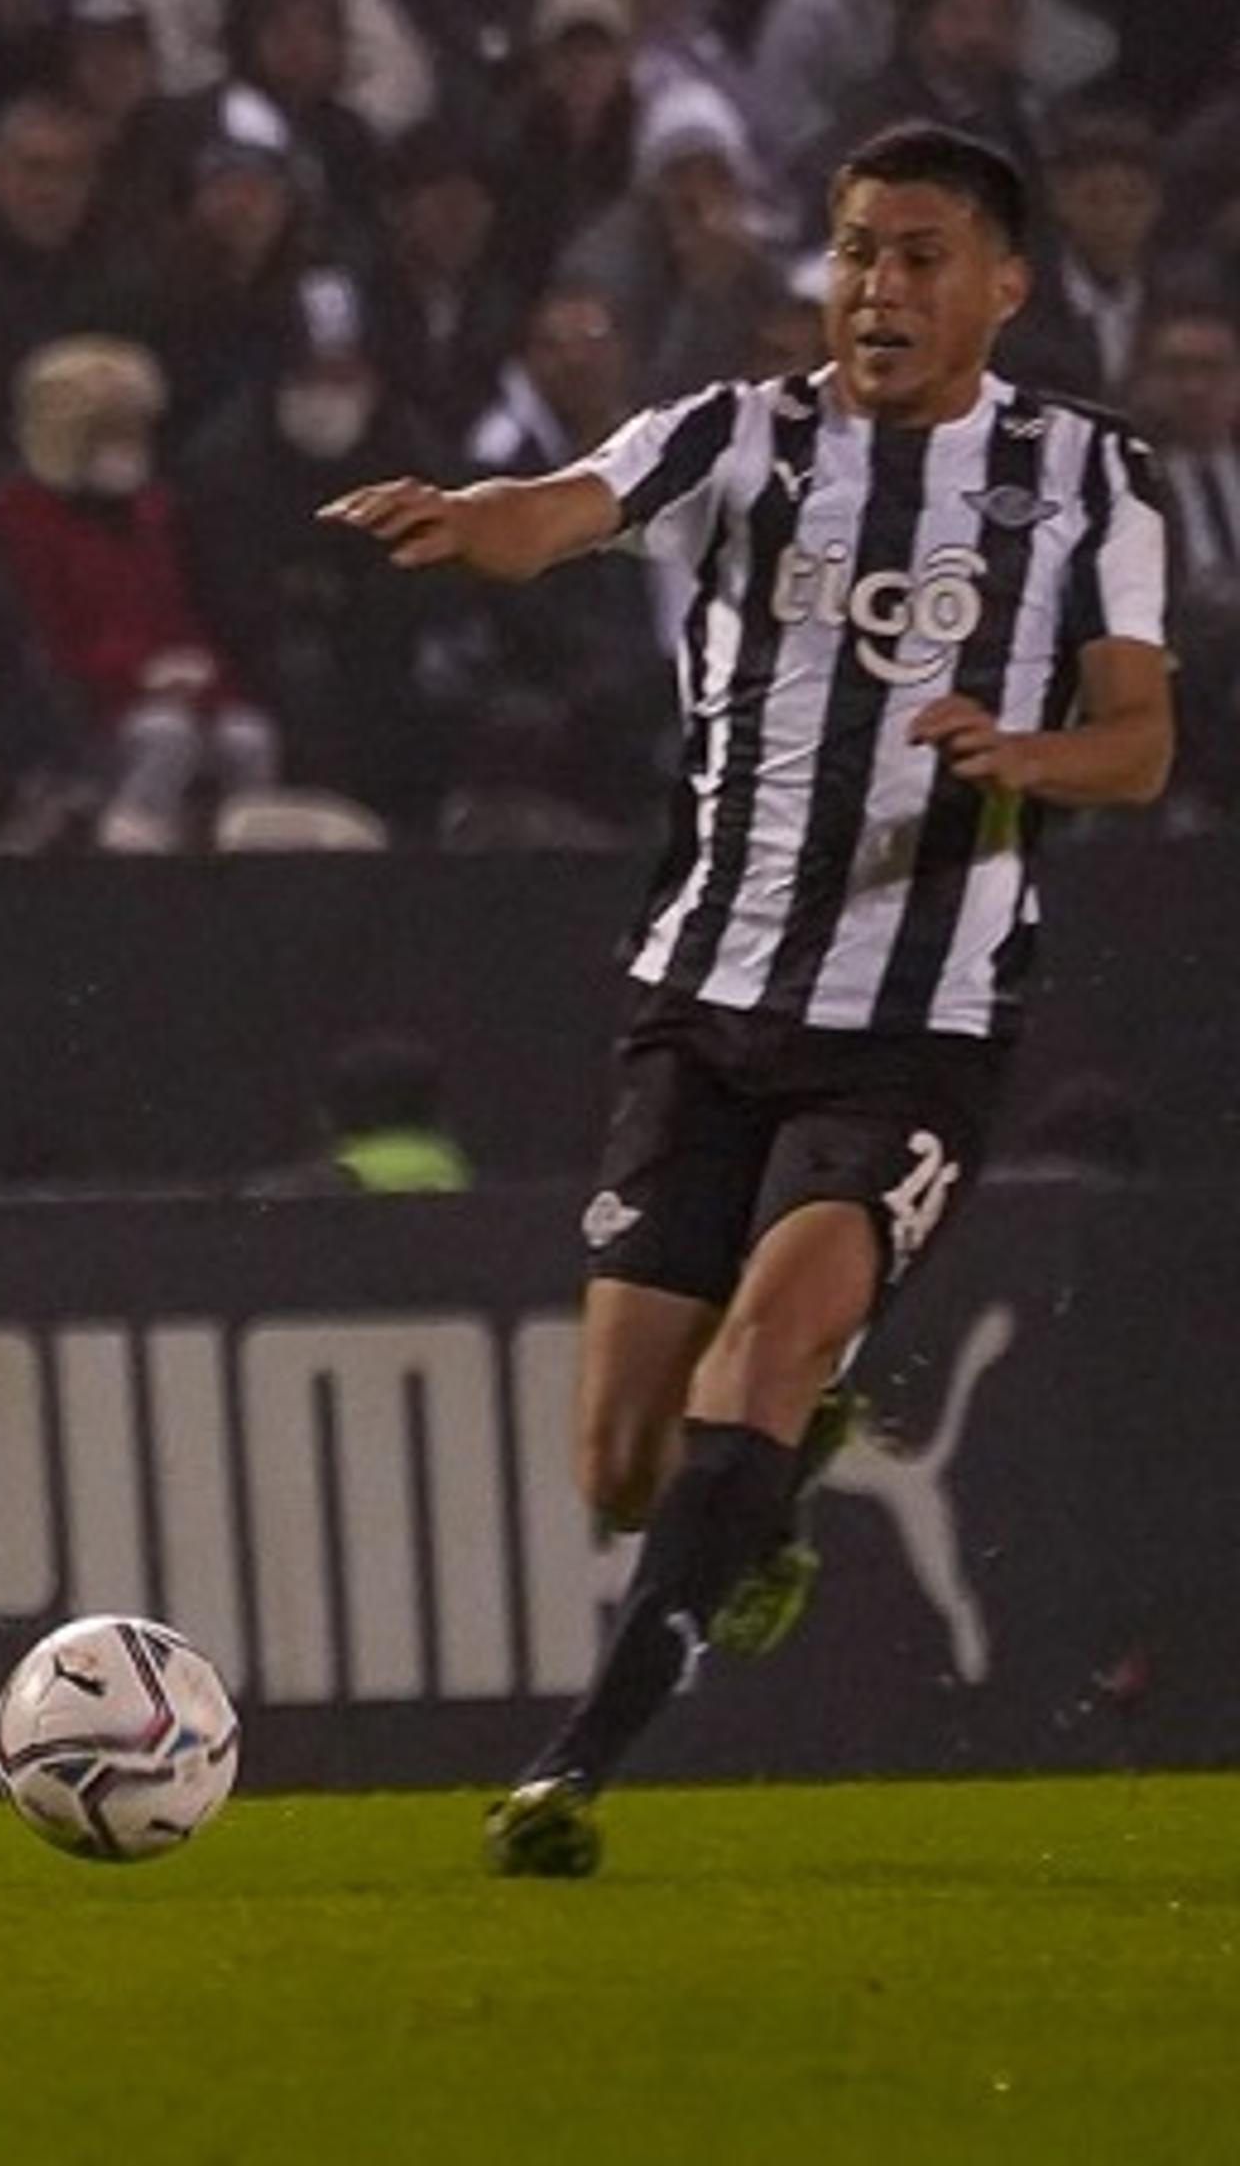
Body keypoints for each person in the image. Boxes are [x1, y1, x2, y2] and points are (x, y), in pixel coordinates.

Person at [322, 121, 1173, 1877]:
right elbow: (564, 510)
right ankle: (769, 1485)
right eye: (858, 248)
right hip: (700, 1002)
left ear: (1004, 287)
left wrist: (1027, 754)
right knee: (629, 1462)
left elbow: (1143, 741)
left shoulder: (1094, 479)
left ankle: (571, 1768)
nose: (878, 284)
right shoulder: (735, 432)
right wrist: (475, 520)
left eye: (922, 253)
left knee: (768, 1342)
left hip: (916, 1024)